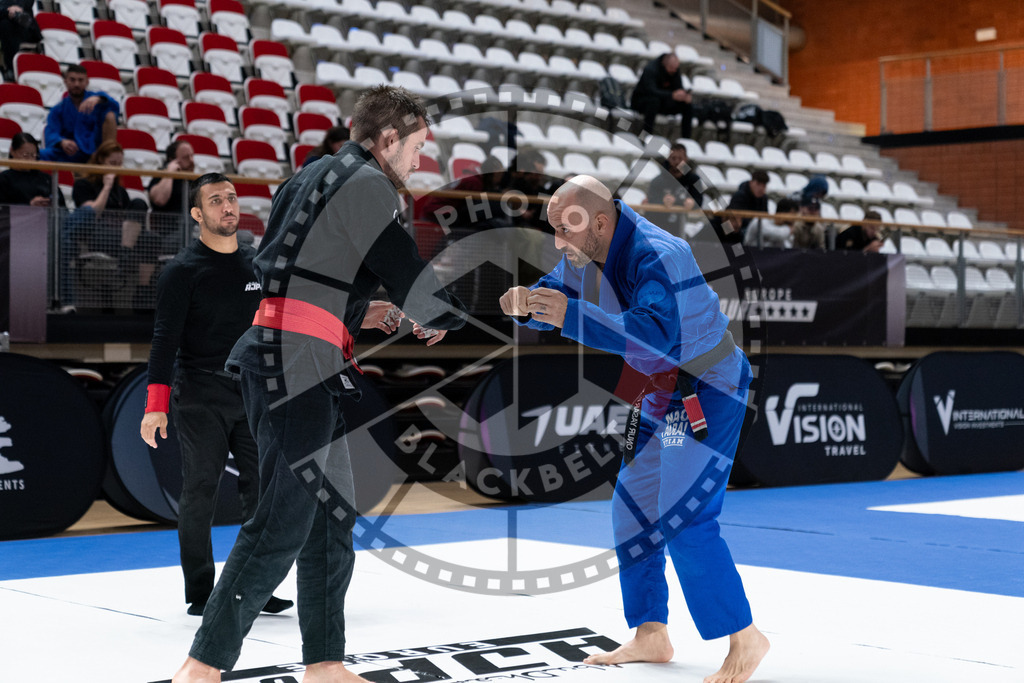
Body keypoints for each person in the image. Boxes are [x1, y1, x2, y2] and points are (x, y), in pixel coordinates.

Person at [170, 84, 466, 683]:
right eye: (415, 147)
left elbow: (289, 269)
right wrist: (451, 313)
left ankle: (324, 663)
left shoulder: (306, 178)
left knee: (330, 517)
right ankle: (201, 667)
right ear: (387, 140)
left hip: (293, 356)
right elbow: (410, 279)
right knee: (280, 523)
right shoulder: (370, 186)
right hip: (296, 363)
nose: (419, 161)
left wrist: (358, 313)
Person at [498, 175, 769, 683]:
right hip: (660, 394)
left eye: (564, 230)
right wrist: (529, 303)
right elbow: (558, 291)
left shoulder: (658, 255)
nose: (558, 242)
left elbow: (655, 336)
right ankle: (651, 632)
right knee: (635, 507)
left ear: (598, 222)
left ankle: (745, 638)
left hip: (705, 389)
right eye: (552, 230)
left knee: (684, 516)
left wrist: (568, 316)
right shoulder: (588, 247)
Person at [140, 173, 295, 618]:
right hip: (199, 393)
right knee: (200, 491)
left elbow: (274, 327)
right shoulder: (182, 271)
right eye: (215, 200)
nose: (228, 206)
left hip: (252, 390)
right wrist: (155, 407)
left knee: (262, 492)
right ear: (197, 214)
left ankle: (257, 586)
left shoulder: (258, 263)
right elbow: (163, 341)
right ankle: (202, 592)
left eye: (231, 198)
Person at [61, 140, 155, 306]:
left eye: (119, 164)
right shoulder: (83, 184)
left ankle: (142, 294)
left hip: (123, 237)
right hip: (97, 234)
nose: (116, 168)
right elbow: (92, 214)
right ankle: (125, 255)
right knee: (138, 238)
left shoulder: (121, 192)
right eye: (112, 163)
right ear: (100, 161)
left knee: (150, 233)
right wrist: (106, 186)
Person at [39, 64, 120, 164]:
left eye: (80, 80)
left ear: (87, 82)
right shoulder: (58, 109)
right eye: (72, 80)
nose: (76, 84)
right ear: (65, 82)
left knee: (110, 115)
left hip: (96, 152)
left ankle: (108, 157)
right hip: (71, 153)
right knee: (39, 154)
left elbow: (115, 107)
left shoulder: (98, 102)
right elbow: (51, 131)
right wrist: (62, 142)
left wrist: (100, 98)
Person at [644, 142, 703, 235]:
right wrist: (662, 201)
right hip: (659, 225)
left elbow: (699, 200)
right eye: (673, 158)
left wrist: (693, 203)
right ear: (668, 159)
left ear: (686, 159)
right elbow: (650, 200)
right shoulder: (658, 180)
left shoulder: (694, 180)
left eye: (680, 158)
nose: (676, 162)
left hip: (683, 225)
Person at [631, 53, 693, 139]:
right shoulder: (651, 69)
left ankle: (686, 139)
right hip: (642, 102)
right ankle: (646, 137)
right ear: (664, 64)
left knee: (687, 105)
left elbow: (678, 88)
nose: (674, 71)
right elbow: (651, 91)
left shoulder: (674, 70)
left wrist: (683, 96)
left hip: (663, 102)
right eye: (671, 69)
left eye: (675, 69)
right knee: (654, 101)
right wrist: (671, 95)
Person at [148, 139, 196, 246]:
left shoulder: (195, 182)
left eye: (192, 156)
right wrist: (170, 173)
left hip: (195, 234)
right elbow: (159, 200)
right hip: (169, 236)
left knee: (238, 237)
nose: (191, 161)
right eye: (185, 158)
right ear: (172, 160)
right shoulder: (160, 178)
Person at [0, 132, 64, 207]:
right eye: (25, 155)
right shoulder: (4, 179)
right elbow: (3, 213)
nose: (30, 160)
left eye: (33, 155)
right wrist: (29, 207)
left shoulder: (46, 179)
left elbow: (62, 209)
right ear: (12, 151)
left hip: (45, 217)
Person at [717, 169, 769, 243]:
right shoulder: (739, 195)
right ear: (752, 182)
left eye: (763, 185)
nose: (761, 188)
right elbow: (733, 219)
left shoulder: (764, 198)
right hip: (739, 229)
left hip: (754, 228)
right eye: (758, 184)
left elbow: (765, 216)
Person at [0, 0, 40, 81]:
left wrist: (16, 9)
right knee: (6, 24)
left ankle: (12, 69)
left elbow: (28, 4)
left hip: (22, 20)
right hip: (4, 18)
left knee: (16, 21)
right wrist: (8, 10)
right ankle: (12, 68)